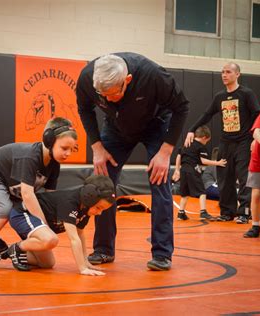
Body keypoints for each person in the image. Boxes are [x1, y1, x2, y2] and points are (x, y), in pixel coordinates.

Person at [76, 53, 189, 271]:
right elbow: (84, 109)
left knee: (159, 180)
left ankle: (162, 254)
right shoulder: (87, 77)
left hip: (156, 125)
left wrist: (166, 151)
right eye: (103, 95)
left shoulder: (154, 75)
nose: (107, 99)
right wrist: (96, 146)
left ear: (127, 80)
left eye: (113, 94)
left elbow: (182, 107)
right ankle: (103, 249)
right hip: (117, 128)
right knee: (102, 181)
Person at [0, 117, 78, 270]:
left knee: (47, 263)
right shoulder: (30, 157)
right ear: (49, 141)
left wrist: (55, 218)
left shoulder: (54, 165)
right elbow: (27, 194)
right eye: (64, 148)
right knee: (4, 210)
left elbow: (49, 197)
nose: (68, 154)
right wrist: (44, 224)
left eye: (72, 149)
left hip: (14, 185)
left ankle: (6, 251)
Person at [184, 62, 260, 224]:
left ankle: (244, 213)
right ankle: (227, 212)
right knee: (224, 177)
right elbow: (206, 114)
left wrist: (255, 138)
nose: (224, 75)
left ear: (237, 74)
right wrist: (191, 129)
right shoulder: (220, 96)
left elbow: (257, 115)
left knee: (243, 177)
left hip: (243, 142)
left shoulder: (246, 94)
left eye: (228, 72)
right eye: (222, 72)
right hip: (226, 142)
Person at [4, 175, 115, 275]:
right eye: (98, 208)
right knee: (51, 239)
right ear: (89, 196)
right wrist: (82, 268)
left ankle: (3, 251)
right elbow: (74, 239)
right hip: (22, 214)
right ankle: (17, 247)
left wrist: (86, 262)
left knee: (47, 263)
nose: (99, 213)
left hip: (36, 224)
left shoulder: (86, 206)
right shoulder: (70, 202)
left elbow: (80, 233)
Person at [172, 126, 226, 221]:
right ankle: (203, 212)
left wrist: (177, 170)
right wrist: (217, 163)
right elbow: (203, 160)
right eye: (207, 141)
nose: (206, 143)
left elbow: (178, 156)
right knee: (202, 191)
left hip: (183, 170)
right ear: (204, 137)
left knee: (185, 193)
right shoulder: (200, 146)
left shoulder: (187, 143)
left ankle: (181, 213)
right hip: (193, 169)